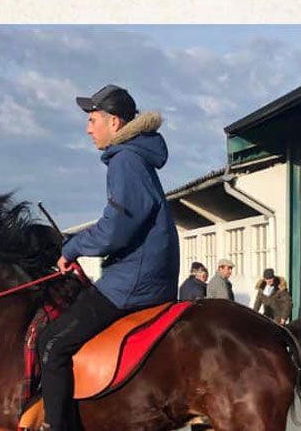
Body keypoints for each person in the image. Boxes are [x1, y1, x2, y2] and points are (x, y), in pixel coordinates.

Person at [42, 84, 178, 431]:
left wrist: (72, 248)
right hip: (146, 275)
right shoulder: (135, 157)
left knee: (52, 343)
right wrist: (77, 242)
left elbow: (117, 227)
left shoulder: (126, 160)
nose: (88, 129)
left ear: (114, 122)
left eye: (92, 120)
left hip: (133, 282)